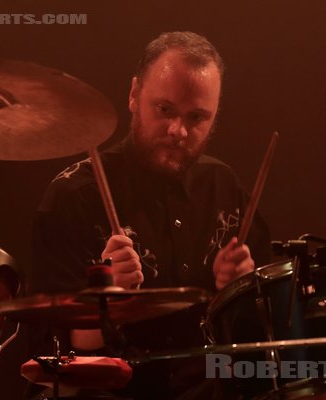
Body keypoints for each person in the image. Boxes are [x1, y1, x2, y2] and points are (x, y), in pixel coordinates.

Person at [30, 31, 270, 399]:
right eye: (165, 109)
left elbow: (266, 327)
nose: (179, 130)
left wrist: (242, 287)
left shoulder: (224, 185)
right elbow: (49, 357)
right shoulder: (74, 195)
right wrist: (104, 304)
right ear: (133, 95)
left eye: (197, 117)